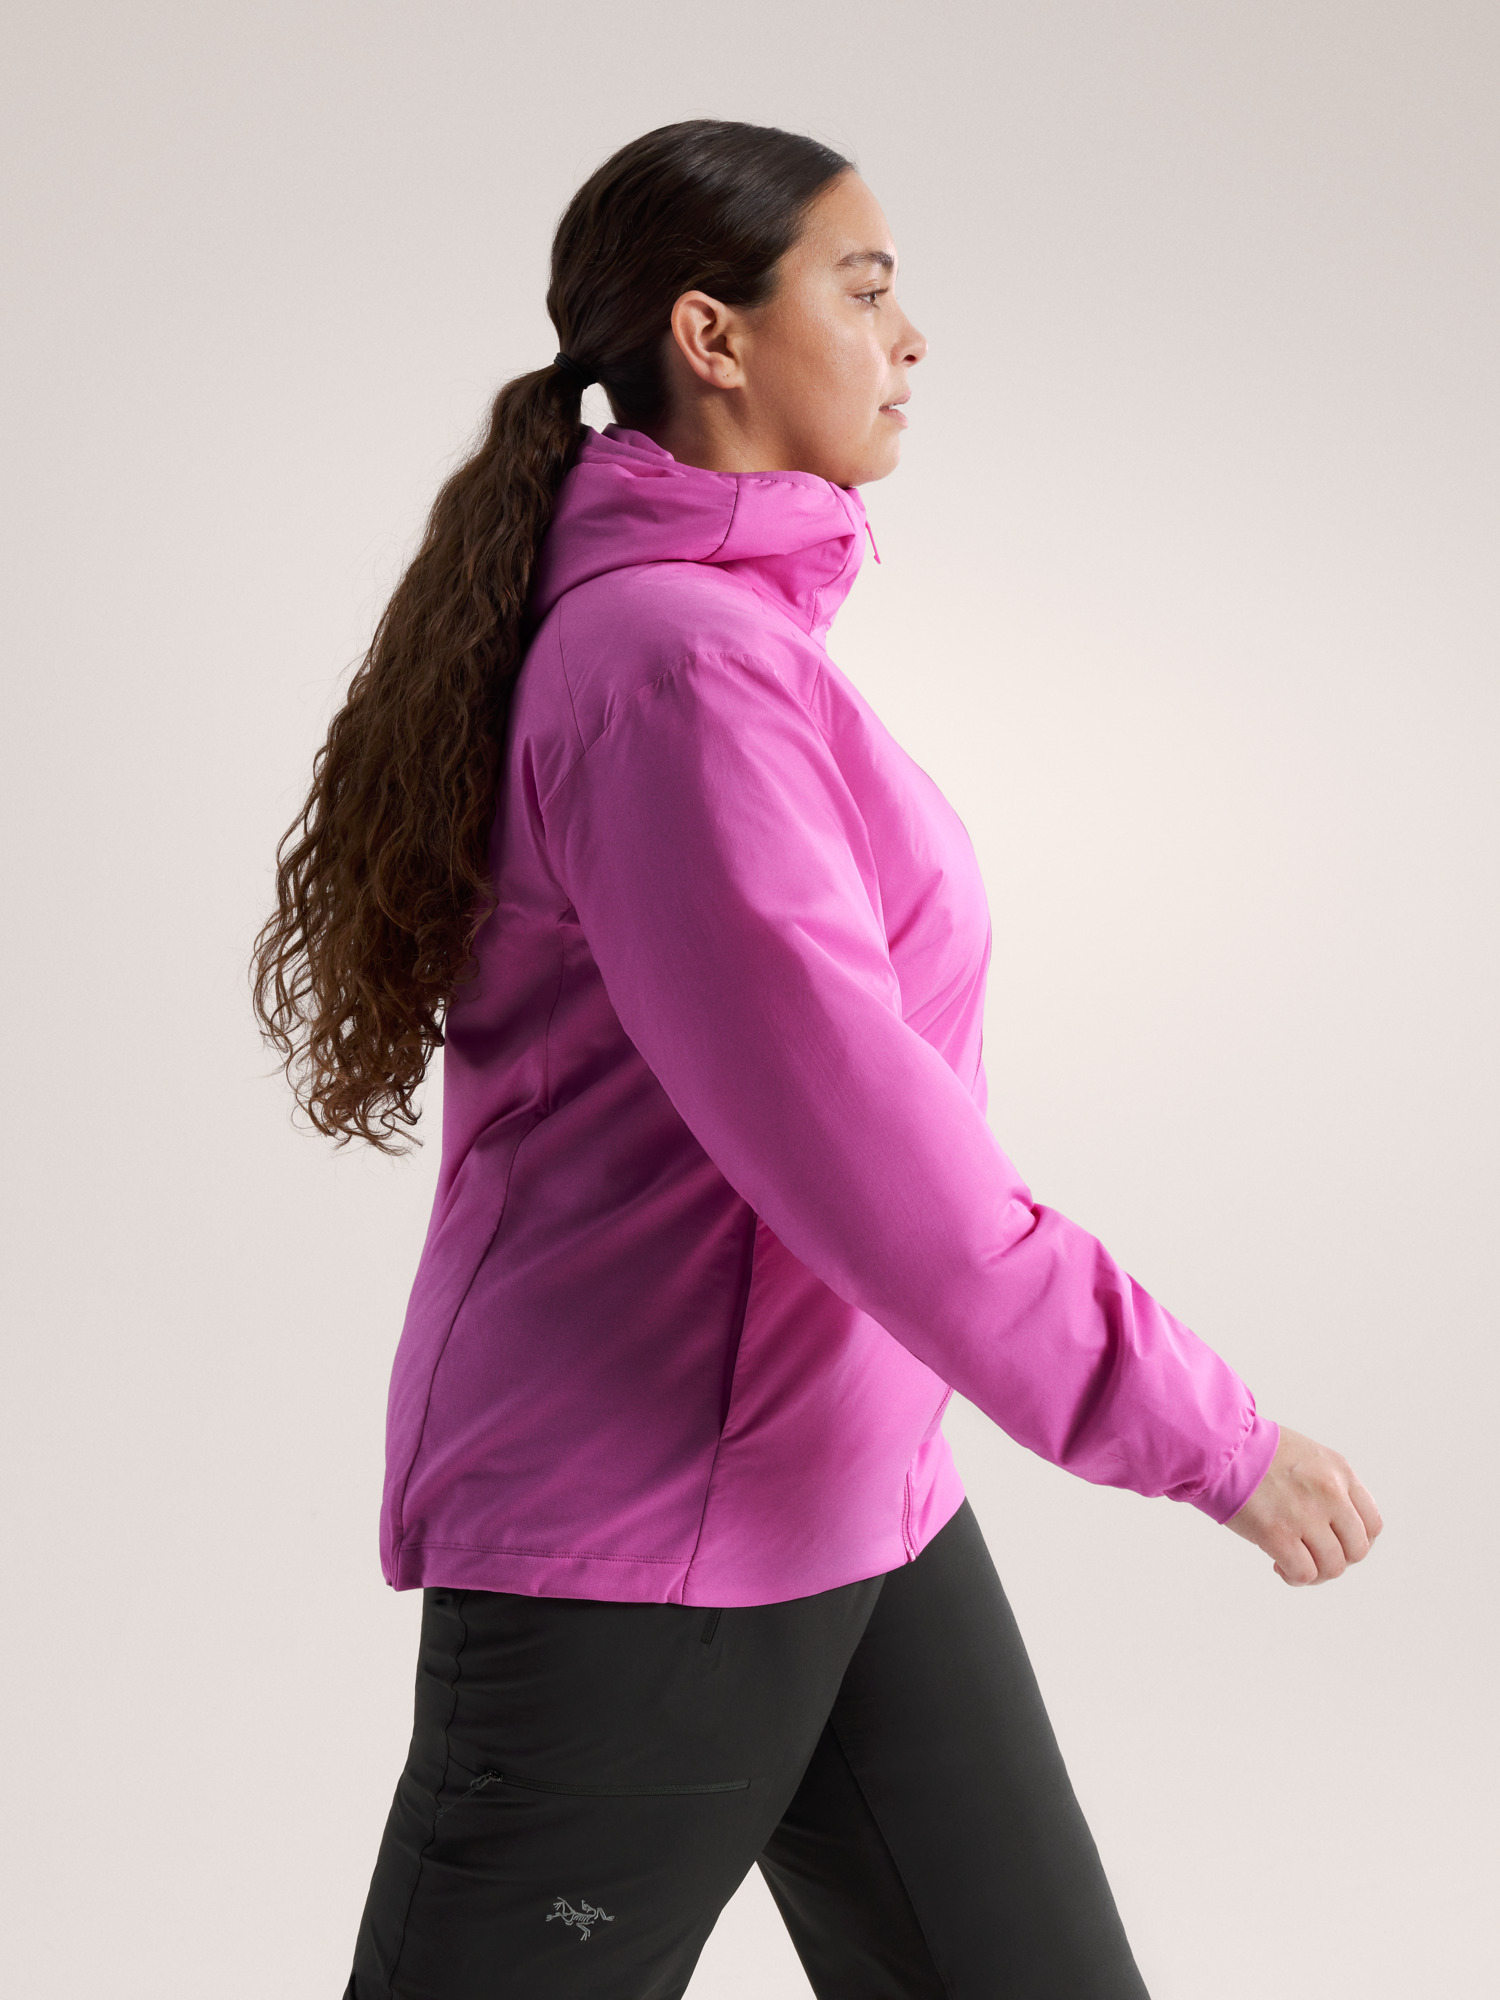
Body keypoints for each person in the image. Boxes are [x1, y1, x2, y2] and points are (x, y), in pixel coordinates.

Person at [253, 119, 1383, 2000]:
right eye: (863, 290)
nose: (909, 336)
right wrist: (1213, 1441)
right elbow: (876, 1159)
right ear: (711, 336)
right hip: (643, 1542)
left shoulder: (726, 643)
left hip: (852, 1490)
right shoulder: (677, 673)